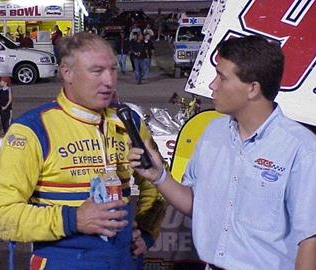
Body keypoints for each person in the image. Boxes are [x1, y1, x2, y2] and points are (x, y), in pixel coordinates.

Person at [128, 35, 316, 270]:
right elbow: (198, 205)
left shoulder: (302, 149)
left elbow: (310, 239)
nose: (212, 85)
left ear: (252, 89)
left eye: (222, 77)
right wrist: (159, 177)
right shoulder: (212, 132)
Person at [0, 32, 166, 270]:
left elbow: (157, 186)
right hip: (63, 261)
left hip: (125, 260)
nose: (109, 81)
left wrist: (146, 232)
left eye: (113, 69)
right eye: (97, 71)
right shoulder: (32, 129)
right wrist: (73, 219)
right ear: (66, 73)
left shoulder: (129, 121)